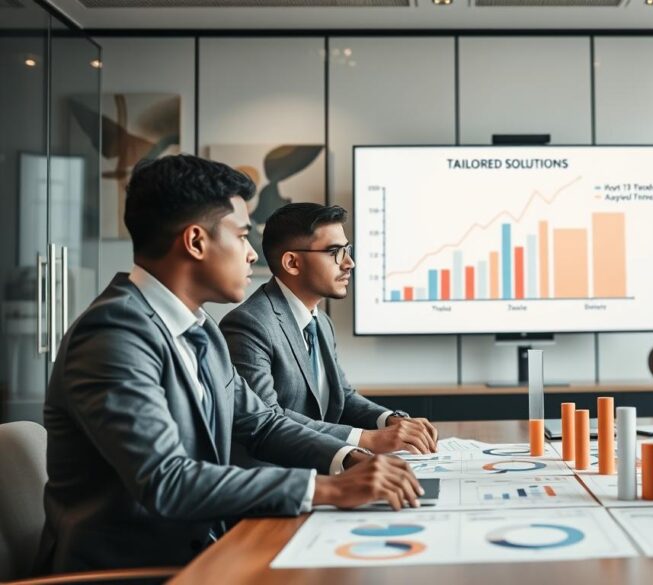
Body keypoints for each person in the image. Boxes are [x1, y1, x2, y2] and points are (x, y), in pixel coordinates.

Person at [36, 155, 421, 574]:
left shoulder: (200, 329)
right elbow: (168, 481)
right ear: (196, 241)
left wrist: (348, 458)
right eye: (241, 236)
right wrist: (325, 489)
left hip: (205, 550)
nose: (253, 254)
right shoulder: (113, 335)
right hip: (133, 572)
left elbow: (261, 423)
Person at [220, 203, 438, 456]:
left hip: (327, 464)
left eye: (347, 250)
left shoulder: (320, 322)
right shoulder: (249, 324)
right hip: (279, 473)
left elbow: (341, 396)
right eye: (335, 252)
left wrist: (389, 420)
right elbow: (267, 418)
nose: (349, 263)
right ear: (292, 262)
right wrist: (367, 439)